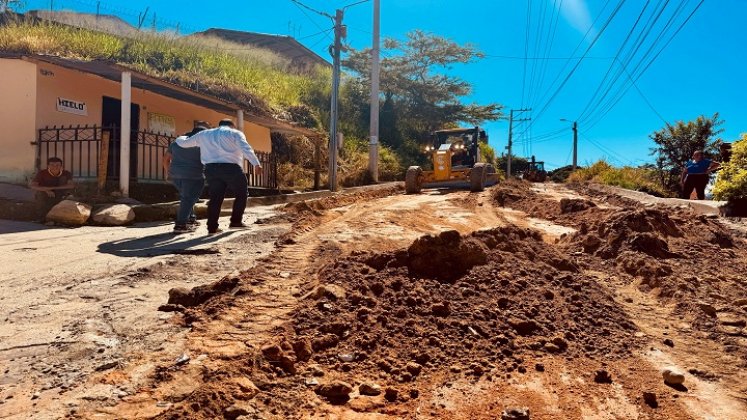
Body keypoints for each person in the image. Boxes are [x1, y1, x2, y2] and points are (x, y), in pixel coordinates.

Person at [176, 118, 262, 235]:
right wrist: (256, 163)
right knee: (242, 193)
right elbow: (245, 148)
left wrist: (179, 138)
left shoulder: (204, 134)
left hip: (211, 169)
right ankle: (236, 222)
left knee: (216, 198)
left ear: (219, 125)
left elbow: (184, 143)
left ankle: (212, 228)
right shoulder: (235, 133)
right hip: (231, 168)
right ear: (232, 126)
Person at [163, 122, 209, 234]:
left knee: (187, 196)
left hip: (176, 175)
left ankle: (191, 218)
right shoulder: (203, 145)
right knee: (189, 198)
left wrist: (167, 172)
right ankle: (180, 225)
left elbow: (166, 159)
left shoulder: (176, 143)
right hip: (194, 176)